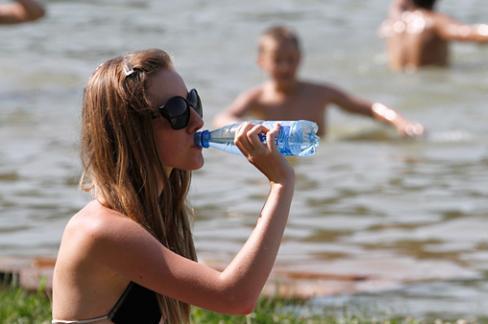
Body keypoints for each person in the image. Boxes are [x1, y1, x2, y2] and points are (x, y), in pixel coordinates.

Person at [51, 49, 295, 323]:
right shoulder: (100, 230)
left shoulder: (156, 215)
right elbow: (235, 297)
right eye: (177, 111)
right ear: (133, 131)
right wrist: (280, 184)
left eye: (193, 102)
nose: (197, 121)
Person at [213, 25, 424, 138]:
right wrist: (245, 128)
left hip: (318, 162)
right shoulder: (257, 98)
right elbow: (223, 117)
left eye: (291, 60)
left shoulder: (320, 93)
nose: (286, 67)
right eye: (278, 61)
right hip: (275, 161)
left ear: (301, 58)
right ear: (262, 62)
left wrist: (401, 123)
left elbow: (370, 109)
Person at [379, 0, 488, 71]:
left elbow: (398, 4)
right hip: (433, 86)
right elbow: (467, 33)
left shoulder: (393, 22)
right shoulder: (435, 21)